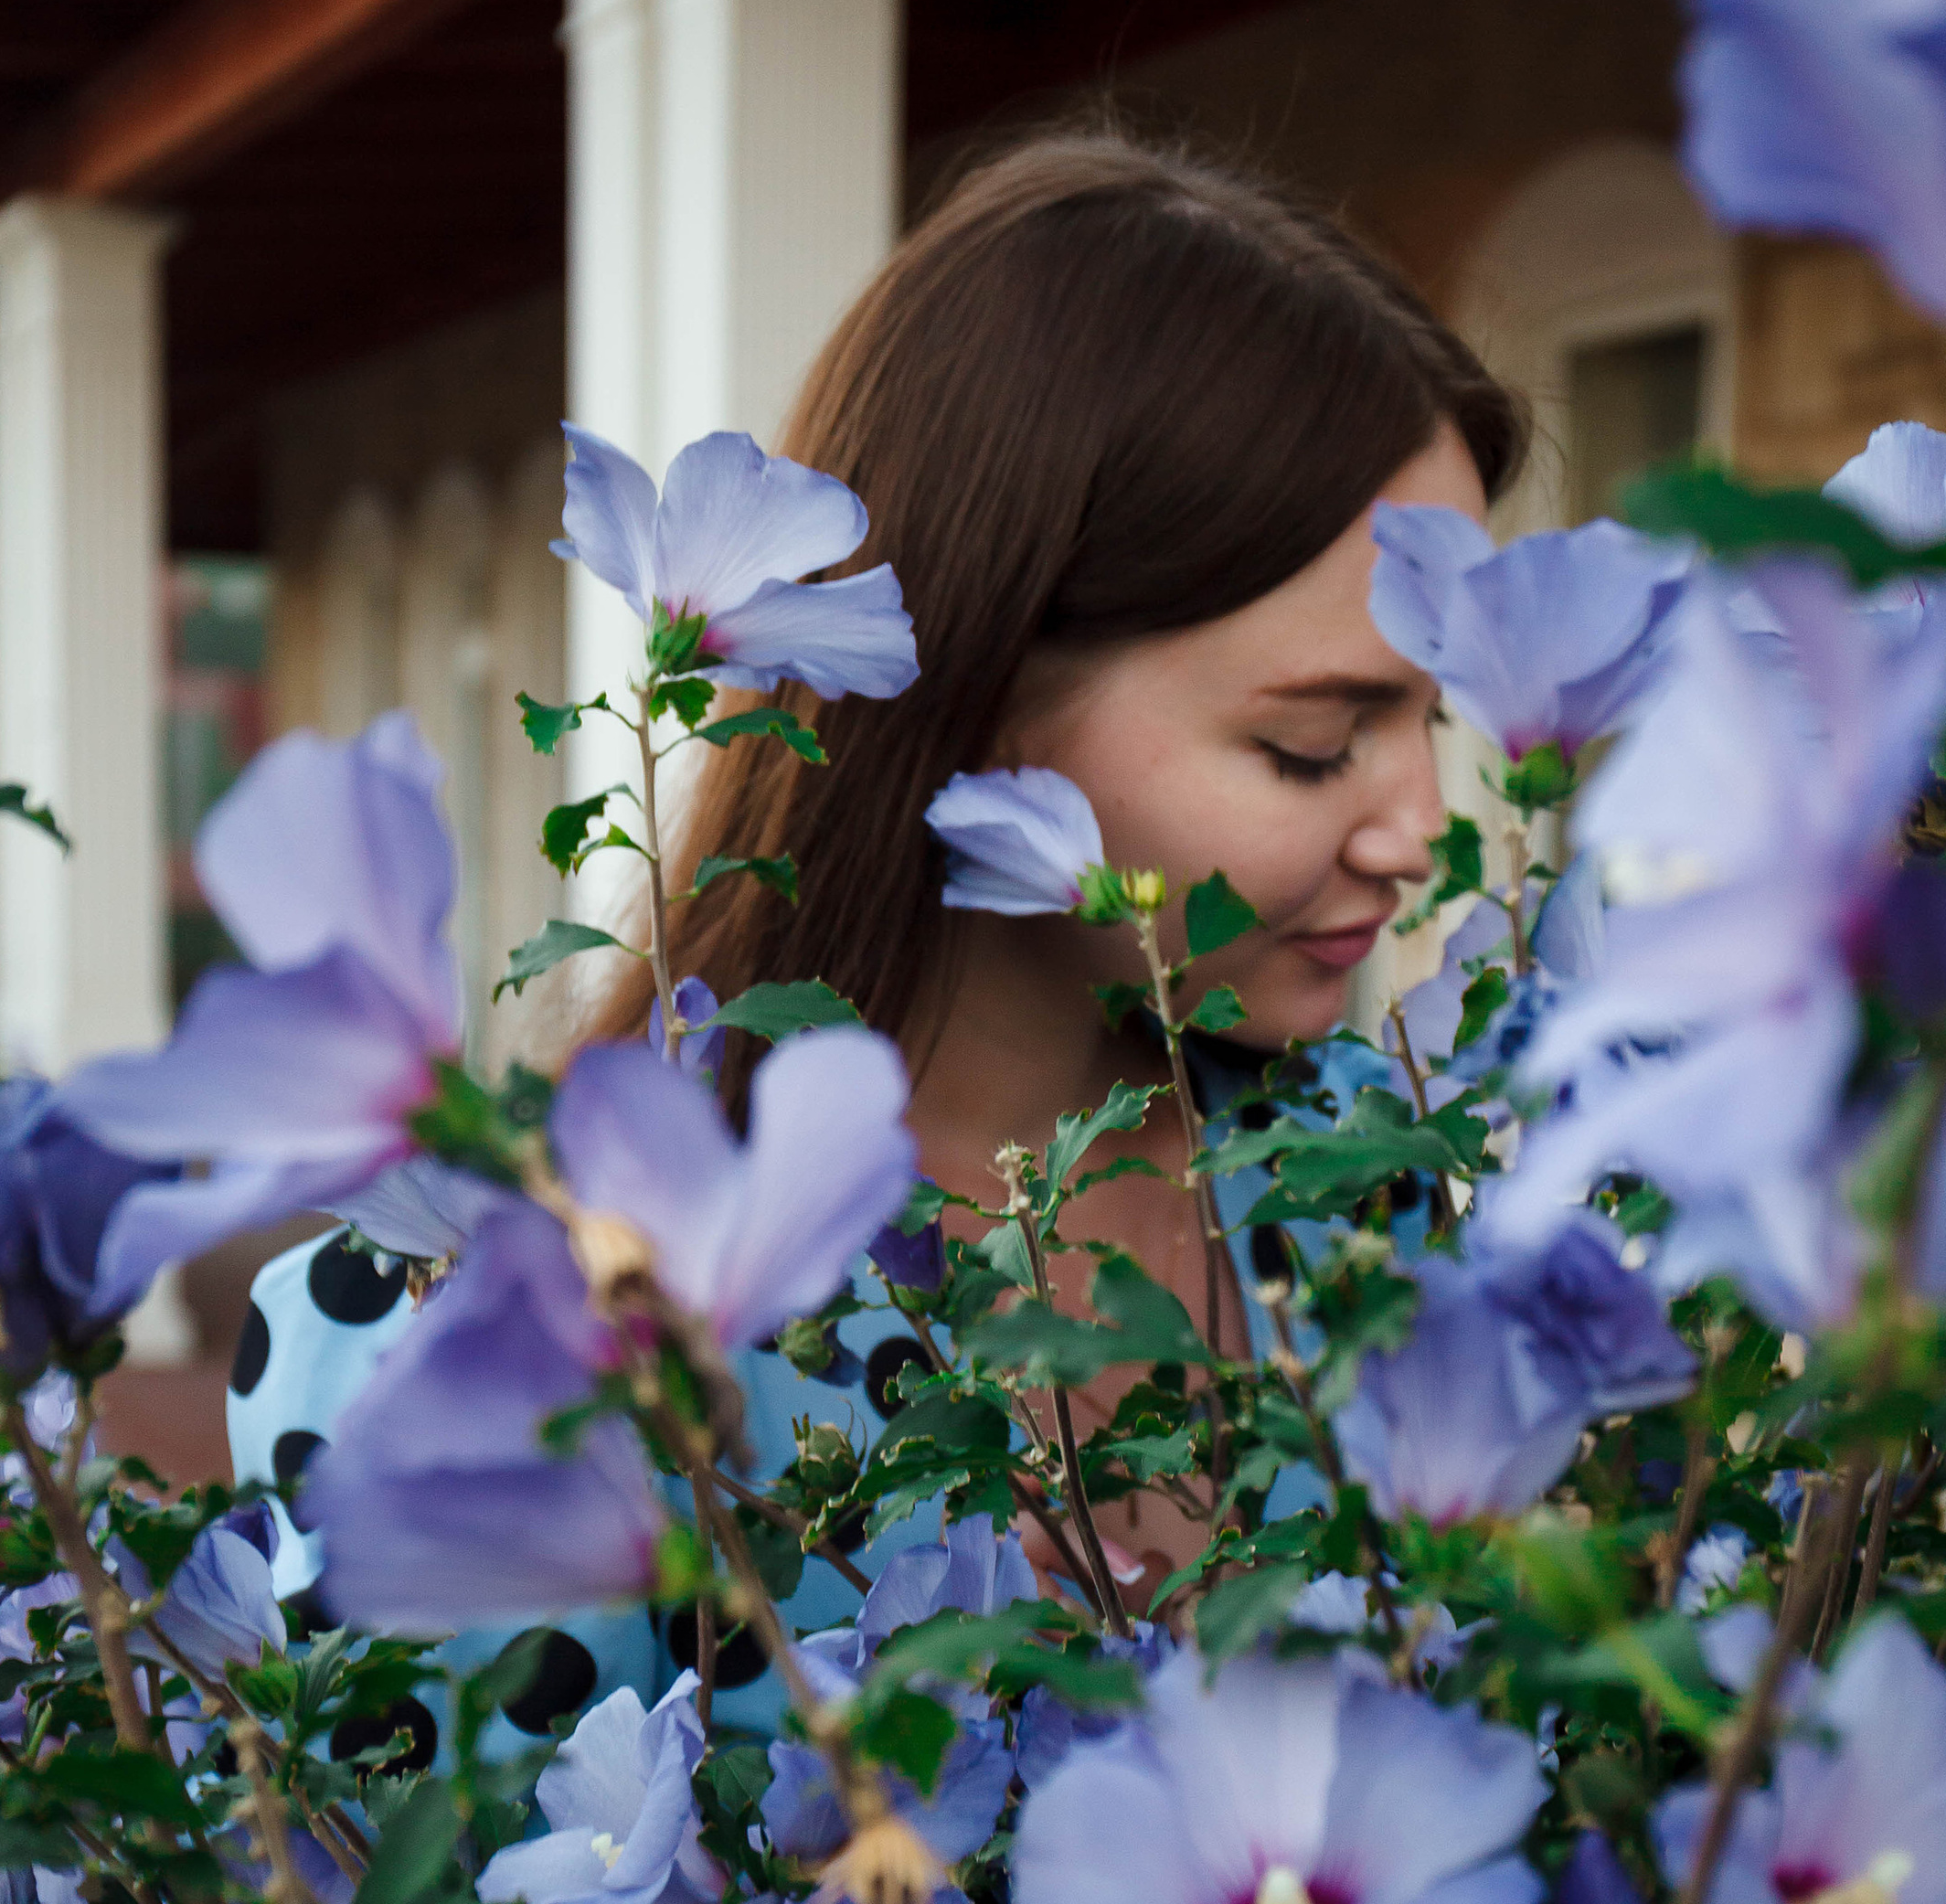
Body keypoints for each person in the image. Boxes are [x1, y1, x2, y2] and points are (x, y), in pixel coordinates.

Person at [227, 130, 1526, 1743]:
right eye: (1314, 743)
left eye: (1435, 719)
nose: (1421, 829)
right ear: (979, 687)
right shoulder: (478, 1321)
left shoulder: (1352, 1183)